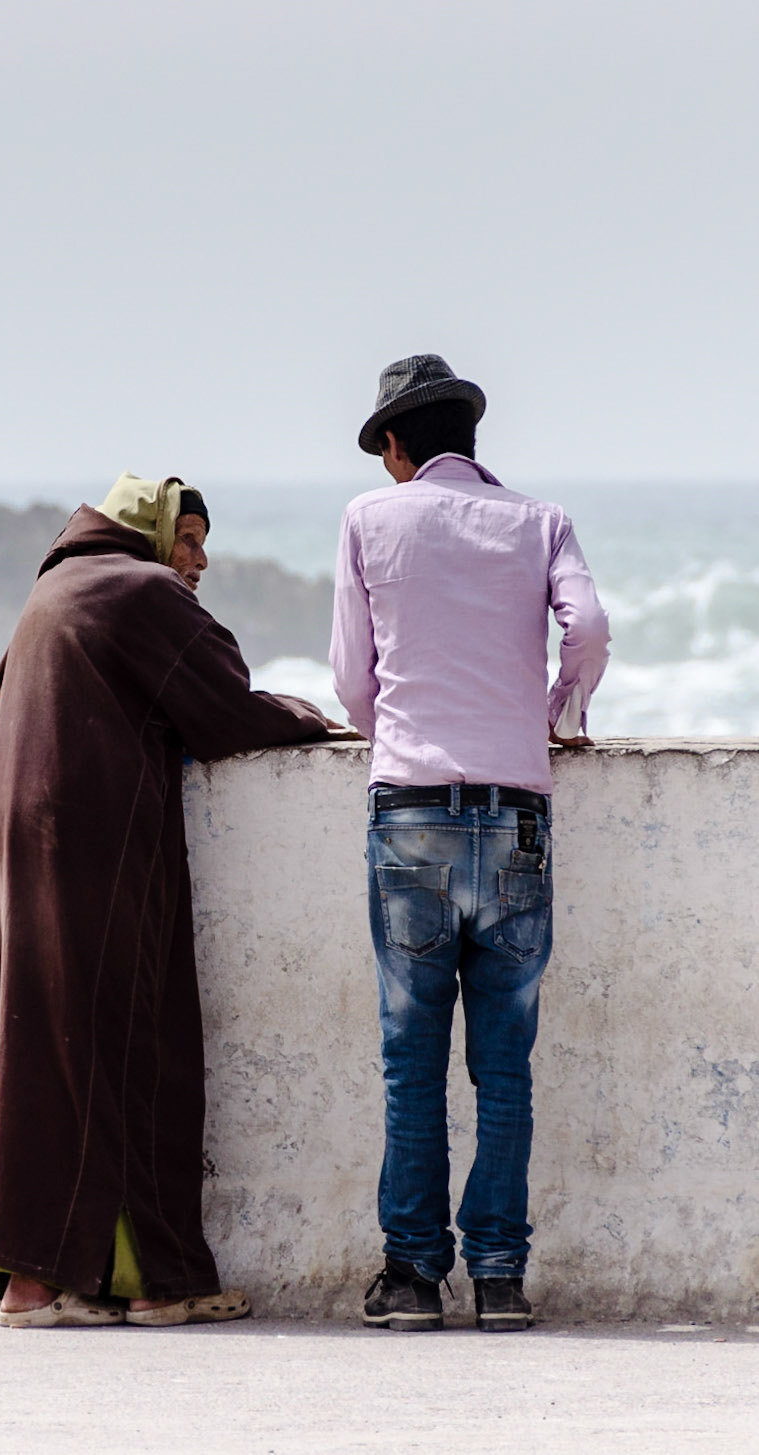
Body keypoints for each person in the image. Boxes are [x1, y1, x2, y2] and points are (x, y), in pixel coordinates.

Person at [0, 473, 344, 1328]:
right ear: (150, 532)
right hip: (94, 843)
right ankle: (152, 1282)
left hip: (15, 842)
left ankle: (37, 1283)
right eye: (187, 537)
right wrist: (307, 714)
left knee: (39, 1052)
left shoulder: (55, 588)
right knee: (129, 1049)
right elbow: (223, 708)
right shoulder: (143, 588)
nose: (198, 560)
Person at [330, 354, 610, 1332]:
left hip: (409, 811)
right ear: (470, 439)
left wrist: (399, 732)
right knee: (505, 1066)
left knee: (412, 1062)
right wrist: (553, 712)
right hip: (518, 816)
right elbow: (589, 626)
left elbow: (352, 679)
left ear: (398, 448)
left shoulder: (370, 520)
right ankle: (498, 1278)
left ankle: (411, 1279)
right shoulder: (540, 522)